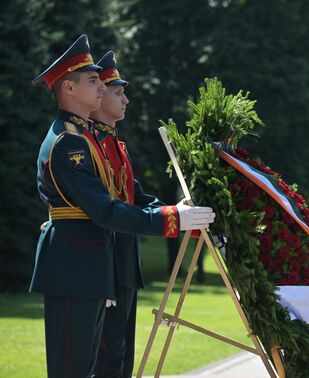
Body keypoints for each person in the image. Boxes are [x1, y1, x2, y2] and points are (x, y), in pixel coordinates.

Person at [30, 35, 215, 378]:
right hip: (75, 267)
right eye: (92, 81)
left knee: (97, 366)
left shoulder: (84, 139)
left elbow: (123, 200)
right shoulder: (68, 143)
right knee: (73, 369)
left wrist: (175, 213)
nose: (101, 87)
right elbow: (106, 211)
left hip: (90, 265)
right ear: (68, 89)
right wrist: (173, 218)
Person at [89, 50, 160, 377]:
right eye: (118, 92)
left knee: (120, 360)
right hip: (107, 266)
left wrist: (180, 212)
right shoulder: (91, 146)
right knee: (107, 359)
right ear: (99, 96)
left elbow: (137, 196)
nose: (126, 99)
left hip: (124, 265)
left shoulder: (114, 144)